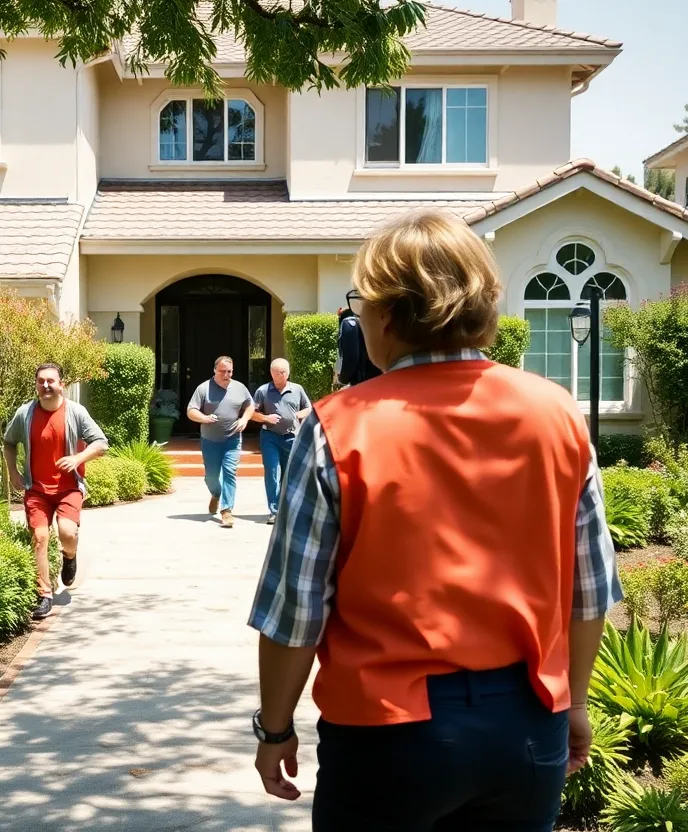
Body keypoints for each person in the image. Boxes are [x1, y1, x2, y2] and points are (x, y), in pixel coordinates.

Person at [248, 211, 622, 831]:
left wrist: (275, 727)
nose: (358, 315)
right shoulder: (556, 414)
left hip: (386, 734)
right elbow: (590, 590)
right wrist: (575, 702)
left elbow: (297, 607)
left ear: (390, 314)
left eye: (360, 302)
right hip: (525, 724)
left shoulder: (340, 425)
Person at [4, 362, 109, 620]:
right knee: (40, 537)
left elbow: (101, 443)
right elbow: (9, 442)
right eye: (41, 381)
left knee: (67, 532)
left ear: (62, 384)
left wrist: (78, 459)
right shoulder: (25, 413)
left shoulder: (75, 412)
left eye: (51, 380)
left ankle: (69, 555)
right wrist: (14, 473)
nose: (46, 385)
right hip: (36, 490)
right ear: (37, 385)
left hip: (68, 487)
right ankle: (45, 595)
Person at [187, 355, 253, 528]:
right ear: (215, 370)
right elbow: (191, 410)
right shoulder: (204, 389)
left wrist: (244, 419)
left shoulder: (240, 388)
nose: (226, 374)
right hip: (210, 440)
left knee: (230, 472)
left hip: (232, 439)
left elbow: (250, 405)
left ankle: (226, 510)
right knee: (211, 477)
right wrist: (204, 418)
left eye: (229, 371)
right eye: (223, 371)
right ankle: (216, 494)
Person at [250, 358, 312, 525]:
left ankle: (288, 509)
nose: (283, 375)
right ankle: (274, 511)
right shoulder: (263, 391)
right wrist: (266, 417)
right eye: (279, 372)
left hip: (292, 437)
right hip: (270, 436)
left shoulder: (297, 390)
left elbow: (308, 407)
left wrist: (299, 415)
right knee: (272, 472)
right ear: (272, 373)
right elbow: (252, 413)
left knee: (290, 474)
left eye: (285, 371)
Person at [335, 305, 382, 389]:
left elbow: (351, 357)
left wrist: (342, 379)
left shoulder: (348, 323)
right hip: (380, 380)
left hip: (360, 382)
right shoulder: (377, 319)